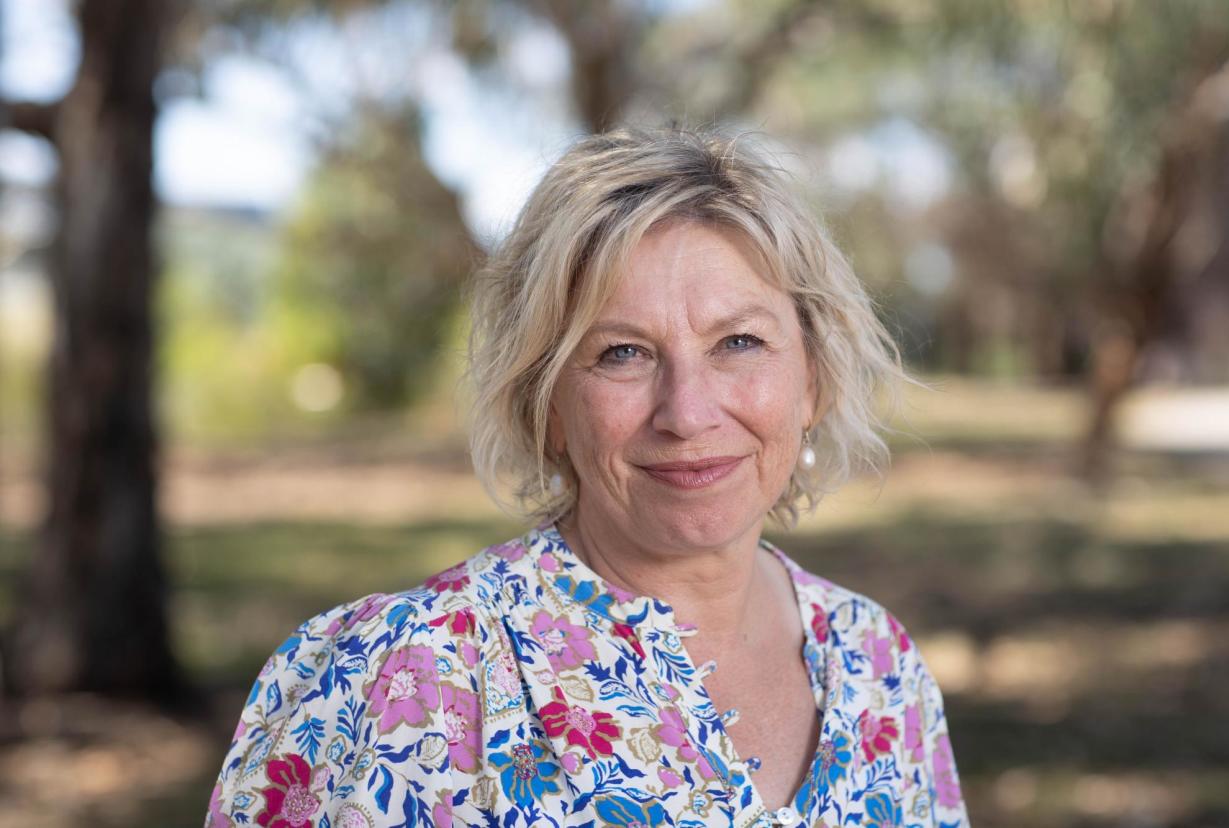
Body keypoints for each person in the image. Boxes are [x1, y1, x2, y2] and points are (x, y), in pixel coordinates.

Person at [206, 126, 969, 828]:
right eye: (622, 353)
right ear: (548, 406)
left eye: (738, 341)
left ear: (813, 381)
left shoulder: (880, 670)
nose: (687, 412)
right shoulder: (402, 678)